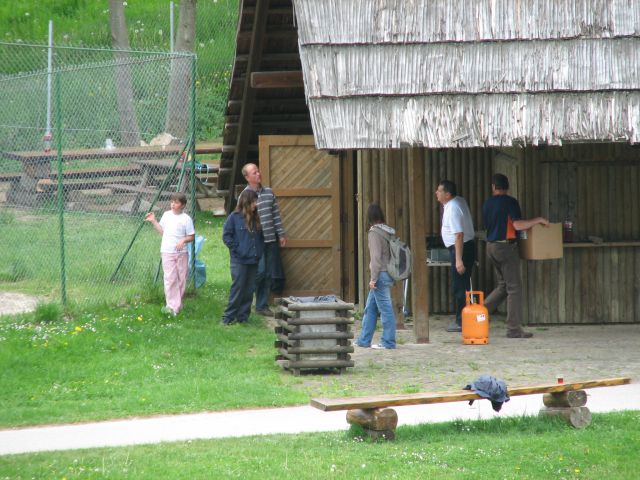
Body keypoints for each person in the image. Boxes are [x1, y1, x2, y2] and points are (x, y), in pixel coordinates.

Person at [483, 173, 549, 338]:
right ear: (507, 187)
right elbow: (518, 225)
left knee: (503, 286)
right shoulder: (510, 202)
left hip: (490, 247)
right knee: (514, 289)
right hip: (505, 247)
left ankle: (479, 312)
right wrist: (538, 220)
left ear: (493, 187)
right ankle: (513, 329)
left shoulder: (487, 203)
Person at [242, 163, 287, 317]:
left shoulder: (269, 192)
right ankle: (246, 301)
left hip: (270, 239)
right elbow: (241, 219)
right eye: (254, 173)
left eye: (258, 171)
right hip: (255, 242)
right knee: (259, 272)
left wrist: (280, 235)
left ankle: (262, 305)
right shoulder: (245, 196)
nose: (258, 174)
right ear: (247, 177)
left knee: (268, 273)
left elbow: (276, 216)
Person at [354, 203, 397, 349]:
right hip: (388, 273)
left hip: (380, 275)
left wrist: (373, 279)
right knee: (370, 308)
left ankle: (388, 342)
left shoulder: (374, 233)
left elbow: (376, 258)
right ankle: (364, 340)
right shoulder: (388, 231)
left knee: (385, 309)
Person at [435, 180, 476, 333]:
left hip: (461, 248)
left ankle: (462, 321)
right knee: (463, 285)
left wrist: (458, 259)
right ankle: (464, 317)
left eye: (439, 191)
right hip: (465, 246)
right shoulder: (459, 201)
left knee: (460, 286)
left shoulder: (452, 208)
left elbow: (458, 234)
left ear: (447, 194)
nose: (436, 193)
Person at [145, 192, 195, 316]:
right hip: (167, 251)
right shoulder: (167, 215)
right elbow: (163, 232)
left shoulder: (186, 219)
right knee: (170, 278)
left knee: (181, 278)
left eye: (176, 202)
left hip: (181, 253)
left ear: (182, 205)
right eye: (172, 201)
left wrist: (183, 240)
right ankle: (172, 307)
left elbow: (191, 236)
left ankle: (176, 304)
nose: (173, 204)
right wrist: (153, 221)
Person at [222, 189, 264, 325]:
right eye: (254, 201)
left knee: (249, 289)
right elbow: (226, 236)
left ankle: (243, 317)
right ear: (247, 202)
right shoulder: (234, 217)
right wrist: (237, 249)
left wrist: (259, 251)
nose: (256, 204)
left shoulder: (257, 218)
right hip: (239, 260)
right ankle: (228, 317)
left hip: (254, 259)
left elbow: (261, 238)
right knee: (238, 288)